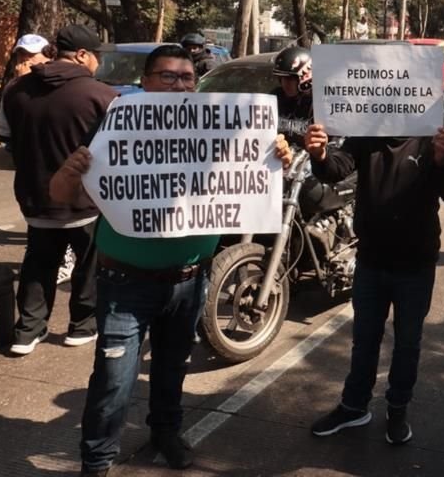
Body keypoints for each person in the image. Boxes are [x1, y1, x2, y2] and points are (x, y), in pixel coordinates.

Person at [50, 44, 293, 476]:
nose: (180, 84)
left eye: (186, 77)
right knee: (113, 381)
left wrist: (275, 156)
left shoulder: (215, 131)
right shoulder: (116, 127)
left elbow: (250, 180)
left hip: (191, 281)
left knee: (171, 369)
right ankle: (97, 461)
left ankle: (165, 433)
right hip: (125, 284)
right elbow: (63, 196)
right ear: (145, 82)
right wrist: (69, 174)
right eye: (168, 76)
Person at [305, 123, 444, 446]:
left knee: (408, 343)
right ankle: (354, 406)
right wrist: (320, 154)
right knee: (364, 339)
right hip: (371, 262)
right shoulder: (367, 135)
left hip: (415, 266)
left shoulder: (431, 139)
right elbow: (336, 168)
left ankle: (397, 408)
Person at [0, 25, 117, 356]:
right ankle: (82, 325)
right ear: (81, 55)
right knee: (89, 262)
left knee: (39, 263)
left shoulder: (15, 90)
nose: (98, 64)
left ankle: (27, 331)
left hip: (35, 200)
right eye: (97, 57)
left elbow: (5, 138)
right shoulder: (101, 95)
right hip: (86, 201)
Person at [271, 45, 314, 147]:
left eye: (291, 78)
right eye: (282, 78)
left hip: (308, 161)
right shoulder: (274, 98)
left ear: (306, 77)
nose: (285, 83)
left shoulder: (317, 104)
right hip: (277, 159)